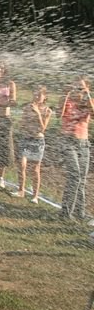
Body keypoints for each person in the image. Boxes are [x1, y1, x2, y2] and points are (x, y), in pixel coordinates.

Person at [60, 76, 93, 220]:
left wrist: (88, 95)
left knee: (82, 179)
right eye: (75, 87)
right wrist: (65, 94)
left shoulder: (89, 102)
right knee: (75, 176)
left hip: (84, 144)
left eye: (81, 88)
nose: (77, 91)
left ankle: (80, 213)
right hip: (69, 142)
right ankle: (66, 213)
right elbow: (59, 114)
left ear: (86, 89)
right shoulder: (68, 101)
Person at [12, 86, 53, 203]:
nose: (36, 97)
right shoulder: (27, 107)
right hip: (26, 138)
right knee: (22, 165)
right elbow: (22, 124)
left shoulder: (47, 111)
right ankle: (21, 191)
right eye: (35, 94)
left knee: (35, 169)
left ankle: (35, 196)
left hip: (38, 141)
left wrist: (38, 114)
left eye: (39, 95)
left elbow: (42, 129)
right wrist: (26, 120)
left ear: (45, 97)